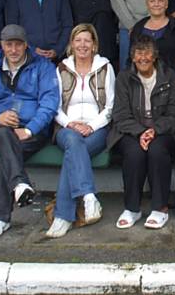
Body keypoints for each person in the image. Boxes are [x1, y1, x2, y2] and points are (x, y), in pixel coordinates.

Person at [0, 24, 59, 239]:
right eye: (8, 45)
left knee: (7, 149)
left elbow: (49, 103)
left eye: (18, 45)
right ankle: (19, 183)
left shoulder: (43, 66)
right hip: (0, 127)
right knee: (4, 133)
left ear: (26, 45)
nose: (13, 50)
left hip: (33, 130)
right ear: (2, 46)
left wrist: (30, 129)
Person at [46, 24, 115, 238]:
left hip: (97, 129)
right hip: (67, 128)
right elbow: (54, 106)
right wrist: (70, 124)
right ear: (71, 44)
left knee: (73, 154)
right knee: (74, 142)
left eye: (87, 40)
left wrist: (91, 126)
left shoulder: (105, 68)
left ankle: (63, 216)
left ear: (94, 45)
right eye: (78, 40)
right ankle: (88, 196)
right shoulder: (62, 69)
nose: (82, 45)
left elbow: (110, 107)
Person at [107, 36, 175, 230]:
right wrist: (141, 132)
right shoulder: (124, 78)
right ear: (132, 57)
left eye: (147, 52)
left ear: (155, 55)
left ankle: (160, 208)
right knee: (134, 153)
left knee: (157, 150)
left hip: (163, 131)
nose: (143, 57)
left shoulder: (168, 75)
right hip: (131, 131)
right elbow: (120, 115)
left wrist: (154, 131)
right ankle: (132, 208)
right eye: (138, 53)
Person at [130, 0, 175, 146]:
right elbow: (131, 59)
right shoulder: (138, 28)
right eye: (152, 0)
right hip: (146, 82)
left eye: (160, 0)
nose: (157, 4)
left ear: (167, 4)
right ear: (147, 4)